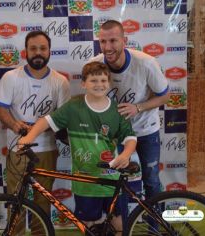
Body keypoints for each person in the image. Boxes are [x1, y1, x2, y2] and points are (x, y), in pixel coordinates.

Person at [19, 61, 137, 235]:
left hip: (112, 177)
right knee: (87, 226)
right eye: (93, 81)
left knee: (118, 225)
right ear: (83, 83)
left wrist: (126, 154)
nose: (99, 85)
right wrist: (29, 137)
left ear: (109, 82)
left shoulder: (116, 109)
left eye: (103, 80)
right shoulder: (74, 106)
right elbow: (46, 121)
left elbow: (130, 137)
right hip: (84, 181)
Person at [0, 30, 70, 232]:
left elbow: (63, 119)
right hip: (18, 147)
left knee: (42, 202)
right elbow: (1, 109)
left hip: (47, 149)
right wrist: (15, 125)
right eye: (33, 48)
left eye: (43, 48)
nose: (38, 52)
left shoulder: (60, 81)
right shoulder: (11, 77)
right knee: (15, 199)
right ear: (25, 51)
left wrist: (43, 128)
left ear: (49, 51)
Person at [90, 20, 170, 201]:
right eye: (103, 42)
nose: (107, 47)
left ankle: (154, 227)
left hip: (145, 131)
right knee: (117, 182)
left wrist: (138, 107)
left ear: (124, 40)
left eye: (113, 41)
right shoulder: (94, 65)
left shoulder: (146, 63)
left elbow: (165, 96)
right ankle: (122, 227)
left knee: (151, 180)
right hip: (115, 135)